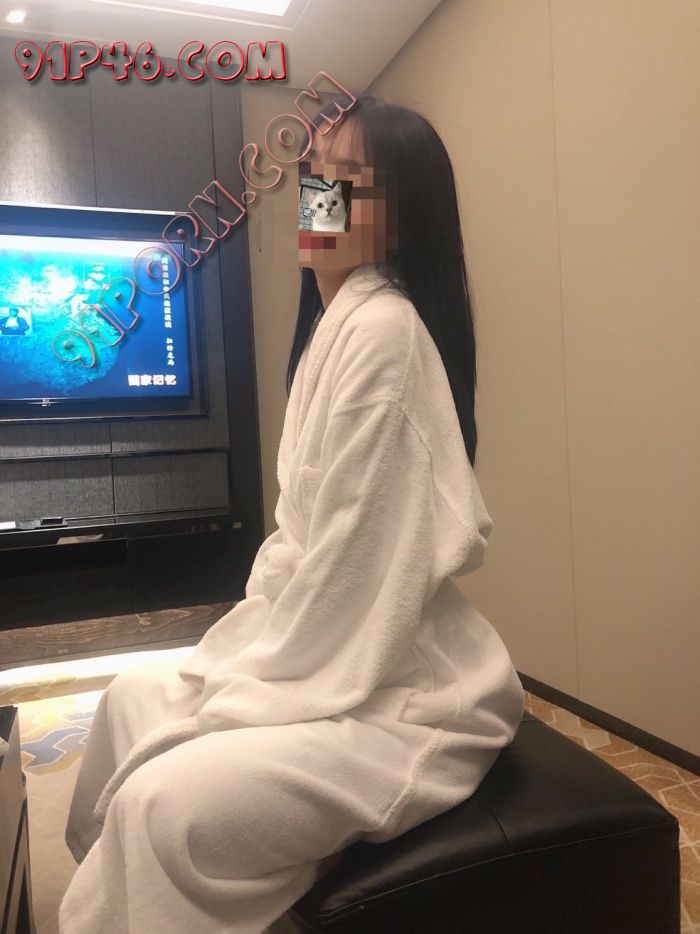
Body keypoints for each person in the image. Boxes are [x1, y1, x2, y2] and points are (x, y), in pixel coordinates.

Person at [58, 93, 525, 934]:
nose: (320, 196)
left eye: (348, 179)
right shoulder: (336, 329)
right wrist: (242, 661)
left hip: (399, 685)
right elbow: (303, 555)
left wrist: (243, 694)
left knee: (167, 803)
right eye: (314, 174)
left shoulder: (384, 336)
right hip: (324, 648)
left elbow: (357, 579)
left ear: (401, 219)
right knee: (131, 697)